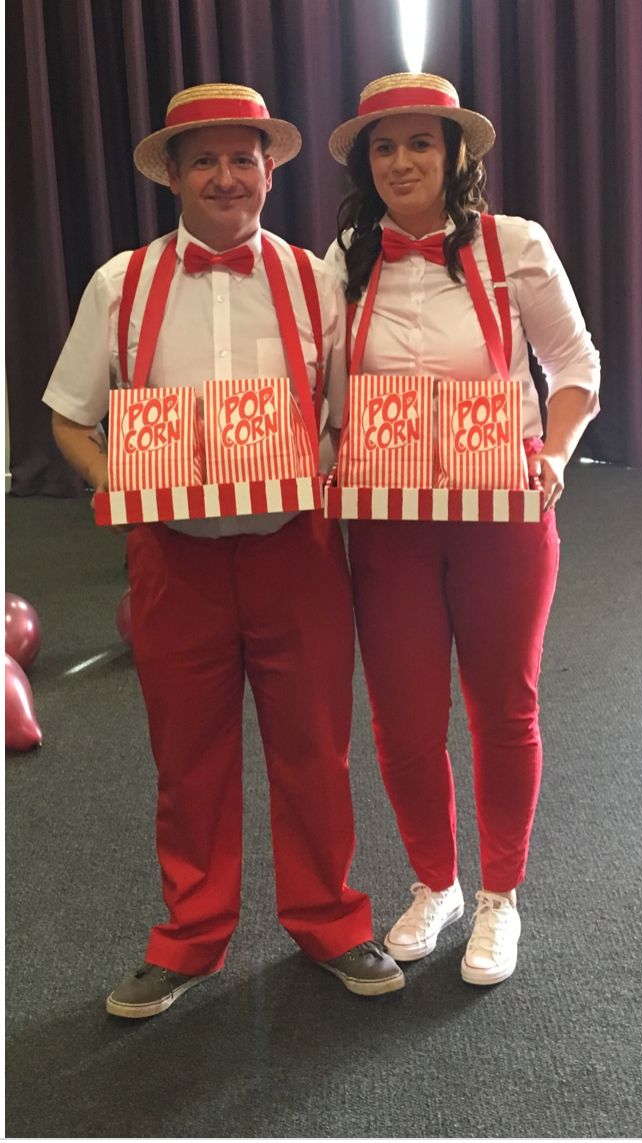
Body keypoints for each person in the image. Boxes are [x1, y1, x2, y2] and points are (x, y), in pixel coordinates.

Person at [43, 82, 404, 1016]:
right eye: (202, 158)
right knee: (187, 755)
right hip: (176, 560)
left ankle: (329, 919)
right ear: (171, 173)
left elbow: (347, 413)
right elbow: (68, 418)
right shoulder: (118, 284)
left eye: (243, 157)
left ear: (270, 170)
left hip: (298, 550)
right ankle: (190, 937)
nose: (225, 176)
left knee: (315, 747)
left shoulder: (314, 278)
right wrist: (116, 489)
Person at [325, 72, 600, 985]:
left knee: (503, 703)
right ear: (368, 162)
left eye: (420, 143)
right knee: (403, 715)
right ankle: (435, 881)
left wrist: (555, 453)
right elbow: (309, 377)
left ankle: (500, 895)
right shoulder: (343, 261)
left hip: (500, 516)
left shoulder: (515, 245)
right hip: (390, 523)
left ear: (455, 154)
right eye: (384, 145)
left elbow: (575, 364)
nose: (402, 161)